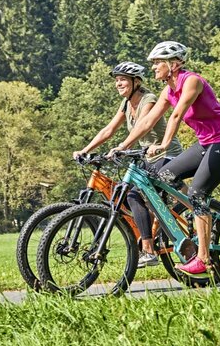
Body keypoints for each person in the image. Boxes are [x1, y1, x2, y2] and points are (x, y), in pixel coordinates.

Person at [109, 41, 220, 275]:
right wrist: (122, 146)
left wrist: (162, 145)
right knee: (161, 178)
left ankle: (203, 258)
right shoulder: (168, 90)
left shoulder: (191, 81)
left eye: (157, 63)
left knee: (197, 193)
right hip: (206, 143)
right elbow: (147, 121)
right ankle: (195, 218)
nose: (153, 68)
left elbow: (176, 116)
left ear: (173, 64)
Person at [73, 61, 183, 268]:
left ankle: (149, 251)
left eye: (122, 79)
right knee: (128, 196)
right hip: (145, 158)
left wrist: (122, 147)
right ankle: (150, 235)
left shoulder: (148, 99)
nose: (118, 84)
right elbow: (109, 129)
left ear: (136, 81)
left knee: (133, 195)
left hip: (167, 156)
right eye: (116, 80)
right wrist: (85, 150)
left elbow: (143, 125)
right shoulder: (126, 104)